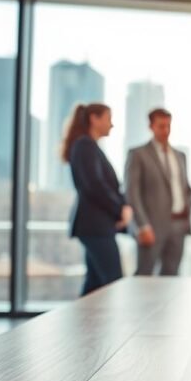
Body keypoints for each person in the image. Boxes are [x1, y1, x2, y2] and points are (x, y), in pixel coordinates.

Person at [64, 103, 133, 296]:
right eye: (108, 119)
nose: (112, 125)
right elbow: (95, 186)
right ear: (94, 119)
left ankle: (80, 325)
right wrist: (120, 209)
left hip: (97, 225)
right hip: (95, 226)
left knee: (94, 284)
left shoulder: (88, 146)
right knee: (113, 282)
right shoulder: (85, 146)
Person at [125, 108, 191, 276]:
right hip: (152, 226)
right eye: (161, 126)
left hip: (179, 225)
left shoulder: (180, 155)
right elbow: (132, 193)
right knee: (144, 274)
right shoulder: (138, 154)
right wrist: (142, 225)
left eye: (168, 126)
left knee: (171, 275)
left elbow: (186, 188)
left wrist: (187, 212)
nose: (166, 131)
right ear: (151, 127)